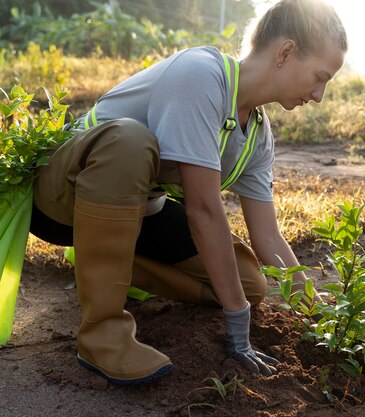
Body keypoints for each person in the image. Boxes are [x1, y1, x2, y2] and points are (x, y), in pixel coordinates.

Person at [29, 0, 347, 385]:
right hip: (61, 195)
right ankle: (102, 335)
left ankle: (103, 271)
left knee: (249, 284)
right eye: (319, 77)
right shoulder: (201, 74)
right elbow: (203, 209)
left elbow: (267, 237)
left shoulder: (258, 137)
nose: (319, 95)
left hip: (133, 214)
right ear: (285, 52)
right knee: (131, 140)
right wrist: (237, 325)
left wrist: (325, 312)